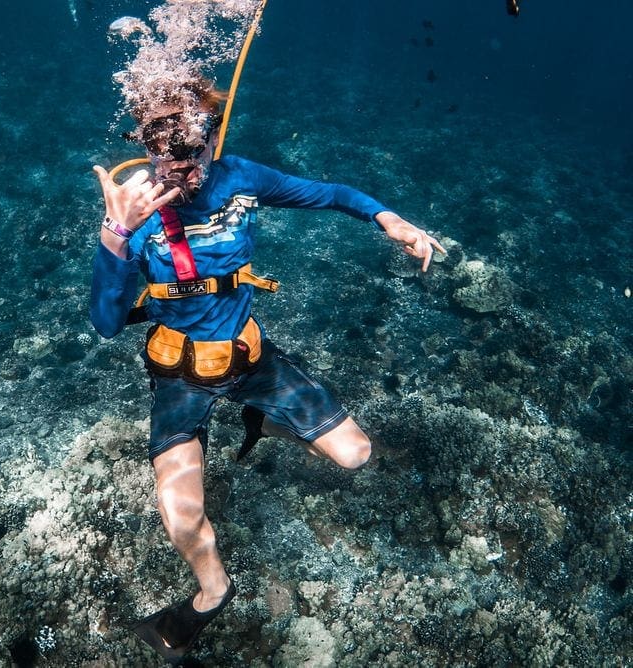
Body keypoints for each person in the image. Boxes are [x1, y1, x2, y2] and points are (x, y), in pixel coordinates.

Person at [89, 78, 445, 662]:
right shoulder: (135, 211)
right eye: (168, 157)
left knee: (356, 454)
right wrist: (117, 234)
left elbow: (328, 193)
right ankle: (212, 593)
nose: (184, 172)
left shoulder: (240, 178)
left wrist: (391, 220)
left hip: (250, 360)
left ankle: (263, 419)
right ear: (149, 150)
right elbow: (106, 322)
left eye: (194, 154)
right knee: (181, 518)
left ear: (211, 138)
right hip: (180, 373)